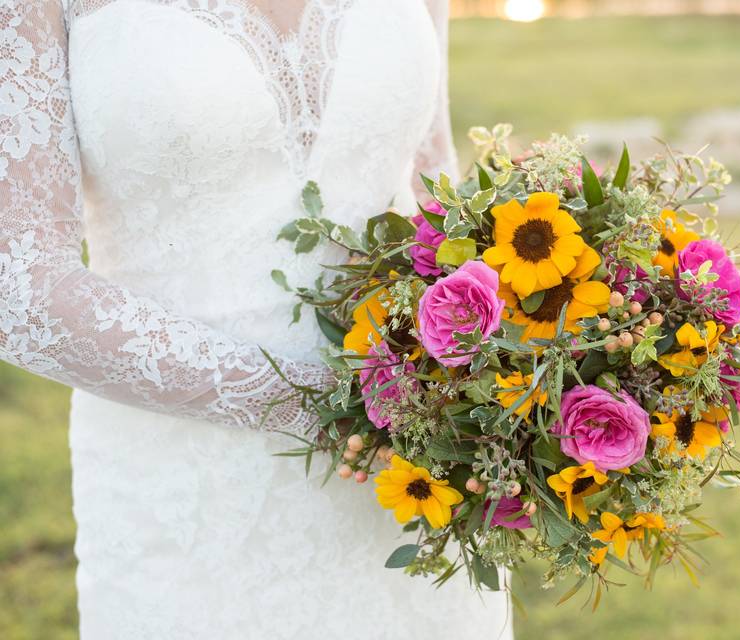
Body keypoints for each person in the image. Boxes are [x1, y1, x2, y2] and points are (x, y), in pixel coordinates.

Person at [0, 1, 511, 637]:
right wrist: (325, 405)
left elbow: (437, 193)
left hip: (416, 478)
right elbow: (19, 288)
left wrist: (535, 353)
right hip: (191, 497)